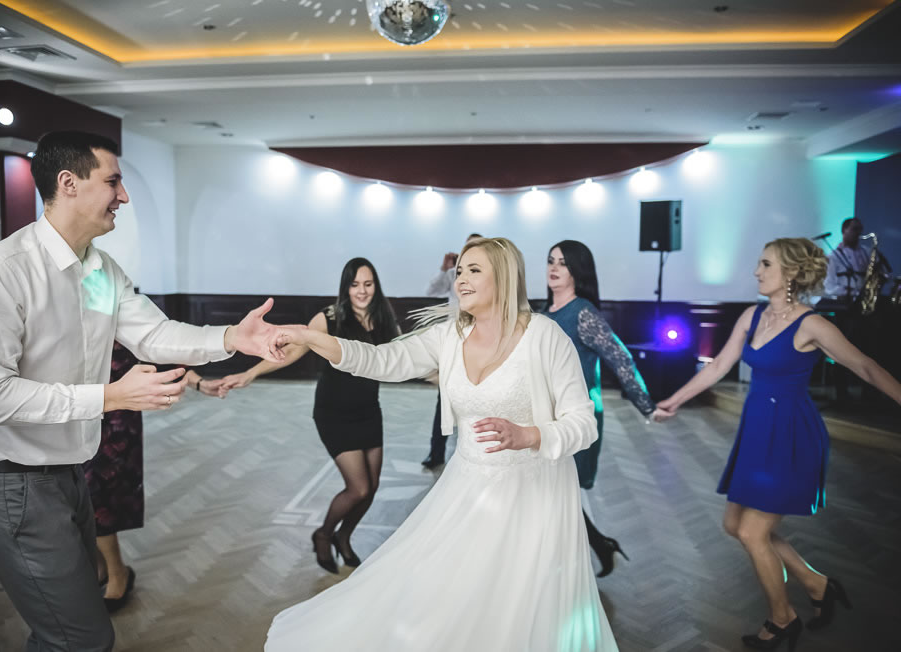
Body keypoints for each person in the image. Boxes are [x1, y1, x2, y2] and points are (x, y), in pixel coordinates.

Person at [0, 130, 288, 652]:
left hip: (69, 475)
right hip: (11, 483)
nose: (124, 196)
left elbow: (153, 335)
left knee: (68, 625)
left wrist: (231, 338)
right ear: (69, 183)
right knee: (81, 637)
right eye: (113, 182)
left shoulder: (96, 271)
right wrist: (108, 396)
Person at [265, 237, 618, 651]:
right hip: (469, 488)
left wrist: (530, 435)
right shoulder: (449, 336)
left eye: (474, 270)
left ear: (504, 277)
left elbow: (583, 423)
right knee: (452, 595)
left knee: (521, 602)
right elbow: (380, 359)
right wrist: (309, 337)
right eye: (459, 271)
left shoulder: (545, 336)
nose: (460, 279)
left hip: (535, 495)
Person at [657, 237, 901, 650]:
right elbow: (718, 366)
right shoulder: (752, 316)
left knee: (754, 533)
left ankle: (782, 618)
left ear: (790, 272)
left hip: (791, 436)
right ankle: (817, 584)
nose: (756, 271)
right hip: (756, 432)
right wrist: (675, 400)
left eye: (765, 264)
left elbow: (865, 366)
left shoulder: (811, 325)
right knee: (734, 526)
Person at [221, 258, 400, 574]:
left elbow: (401, 355)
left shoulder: (384, 317)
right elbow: (294, 350)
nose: (362, 291)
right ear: (345, 287)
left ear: (376, 286)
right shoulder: (329, 317)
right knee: (358, 488)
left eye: (368, 284)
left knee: (372, 489)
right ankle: (324, 534)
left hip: (369, 410)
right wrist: (251, 373)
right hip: (335, 413)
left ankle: (344, 537)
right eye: (355, 284)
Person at [543, 240, 670, 577]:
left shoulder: (583, 313)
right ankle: (596, 547)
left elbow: (620, 359)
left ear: (578, 270)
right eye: (551, 261)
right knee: (551, 492)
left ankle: (569, 570)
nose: (554, 268)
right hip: (544, 417)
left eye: (563, 263)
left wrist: (647, 406)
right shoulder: (543, 313)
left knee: (559, 491)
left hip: (574, 417)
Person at [84, 346, 228, 615]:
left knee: (97, 493)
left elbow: (154, 344)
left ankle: (117, 574)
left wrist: (197, 382)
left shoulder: (111, 315)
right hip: (71, 407)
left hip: (115, 412)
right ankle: (100, 567)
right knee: (74, 494)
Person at [421, 233, 482, 469]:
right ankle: (436, 453)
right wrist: (444, 268)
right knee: (444, 402)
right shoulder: (453, 274)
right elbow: (431, 290)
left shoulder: (491, 276)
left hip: (481, 346)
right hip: (453, 344)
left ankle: (476, 454)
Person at [822, 217, 867, 300]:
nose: (858, 233)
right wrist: (849, 291)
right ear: (844, 230)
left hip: (864, 298)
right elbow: (829, 286)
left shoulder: (866, 252)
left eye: (860, 229)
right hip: (844, 301)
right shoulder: (834, 256)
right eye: (854, 229)